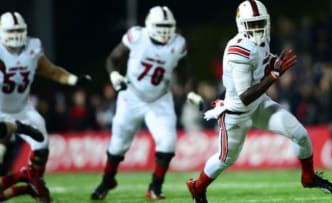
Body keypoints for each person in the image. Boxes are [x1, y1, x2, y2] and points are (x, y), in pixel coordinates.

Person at [186, 1, 332, 203]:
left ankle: (308, 177)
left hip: (258, 105)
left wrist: (274, 63)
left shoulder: (262, 39)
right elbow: (245, 95)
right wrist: (275, 75)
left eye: (260, 23)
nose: (258, 28)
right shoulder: (237, 50)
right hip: (237, 113)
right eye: (253, 23)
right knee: (226, 159)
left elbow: (263, 64)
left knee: (300, 134)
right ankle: (197, 187)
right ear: (242, 24)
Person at [91, 5, 203, 201]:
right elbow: (113, 59)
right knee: (117, 145)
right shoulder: (137, 37)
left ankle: (155, 187)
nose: (164, 30)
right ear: (149, 25)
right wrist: (114, 74)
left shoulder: (178, 43)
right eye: (160, 25)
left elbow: (186, 72)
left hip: (159, 98)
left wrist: (191, 92)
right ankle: (106, 181)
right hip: (131, 95)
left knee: (168, 142)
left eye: (168, 26)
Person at [0, 11, 91, 202]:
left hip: (22, 109)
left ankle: (35, 181)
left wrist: (74, 80)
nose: (16, 35)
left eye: (19, 30)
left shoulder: (32, 47)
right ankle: (24, 181)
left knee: (42, 146)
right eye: (11, 30)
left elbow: (50, 71)